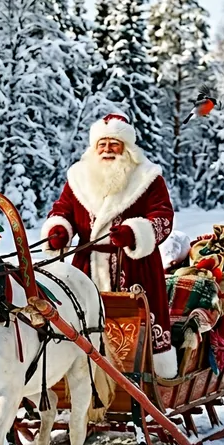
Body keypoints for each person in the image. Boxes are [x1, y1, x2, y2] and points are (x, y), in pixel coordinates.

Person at [40, 113, 177, 379]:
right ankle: (81, 377)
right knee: (80, 323)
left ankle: (145, 377)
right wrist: (59, 230)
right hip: (86, 267)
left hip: (135, 266)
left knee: (133, 327)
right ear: (93, 148)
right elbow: (63, 210)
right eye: (102, 144)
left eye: (114, 143)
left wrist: (134, 232)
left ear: (127, 147)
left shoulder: (148, 178)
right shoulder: (78, 177)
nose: (107, 150)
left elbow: (163, 216)